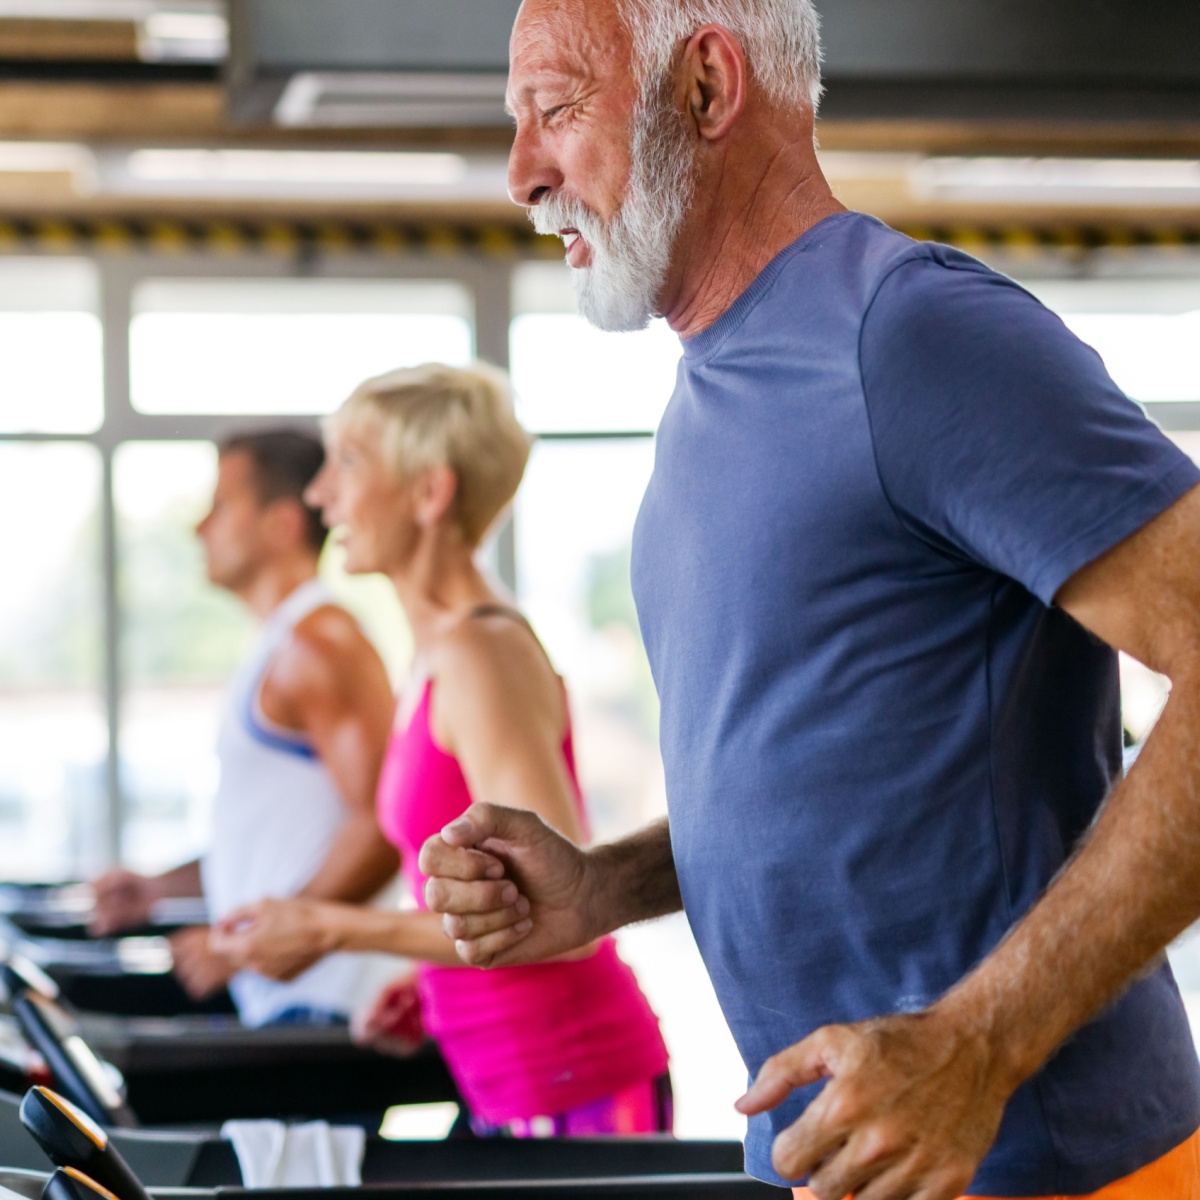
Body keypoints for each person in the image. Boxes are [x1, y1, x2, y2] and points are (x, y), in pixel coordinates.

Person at [418, 2, 1200, 1197]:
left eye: (557, 111)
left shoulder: (911, 332)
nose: (523, 174)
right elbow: (836, 783)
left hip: (1048, 1162)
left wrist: (977, 1044)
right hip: (834, 1160)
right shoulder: (704, 398)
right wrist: (602, 887)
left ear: (708, 87)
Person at [210, 364, 671, 1136]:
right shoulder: (434, 653)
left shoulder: (477, 653)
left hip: (572, 1079)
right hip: (506, 1078)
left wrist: (330, 928)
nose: (321, 496)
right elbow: (485, 905)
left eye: (348, 464)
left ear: (429, 494)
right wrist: (425, 982)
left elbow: (562, 916)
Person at [91, 430, 400, 1028]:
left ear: (281, 524)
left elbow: (383, 824)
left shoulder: (320, 644)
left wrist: (252, 942)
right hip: (284, 998)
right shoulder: (281, 644)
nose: (199, 528)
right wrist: (160, 889)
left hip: (324, 1005)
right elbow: (268, 845)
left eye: (221, 506)